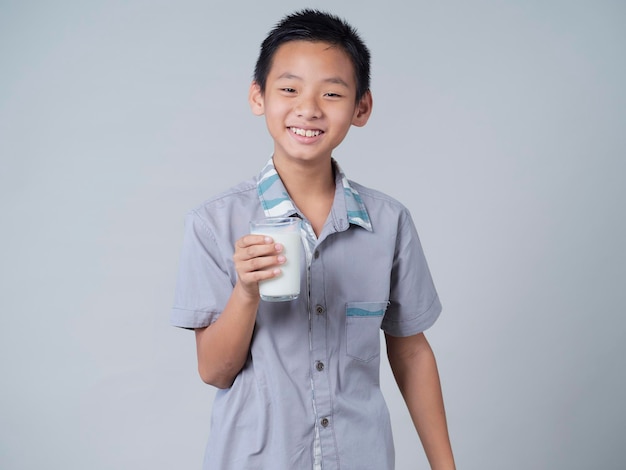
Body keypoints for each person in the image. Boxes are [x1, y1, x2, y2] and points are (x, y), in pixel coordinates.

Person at [171, 9, 455, 470]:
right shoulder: (213, 223)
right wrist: (245, 293)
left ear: (361, 108)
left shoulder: (389, 222)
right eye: (289, 89)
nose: (308, 108)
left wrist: (445, 466)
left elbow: (411, 350)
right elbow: (214, 371)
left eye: (332, 93)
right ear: (258, 97)